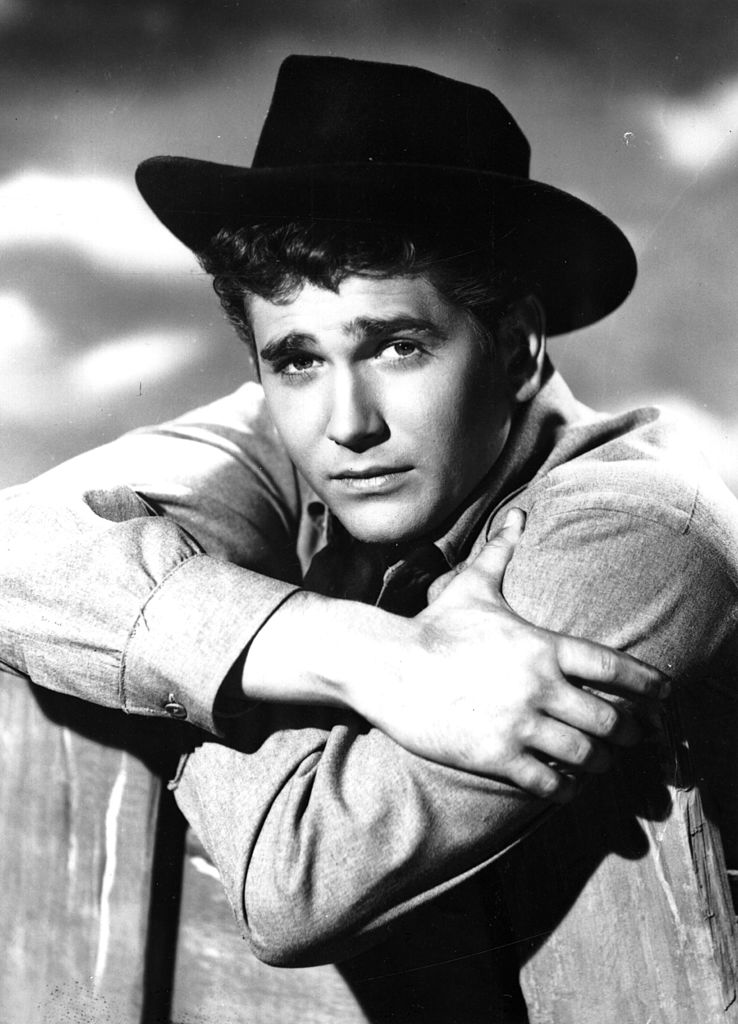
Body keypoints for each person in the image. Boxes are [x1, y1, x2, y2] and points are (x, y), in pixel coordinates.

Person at [1, 55, 736, 1020]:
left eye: (398, 346)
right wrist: (384, 660)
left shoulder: (642, 537)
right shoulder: (283, 438)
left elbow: (297, 879)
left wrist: (181, 659)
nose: (347, 424)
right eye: (298, 358)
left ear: (517, 346)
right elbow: (19, 544)